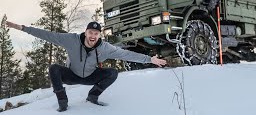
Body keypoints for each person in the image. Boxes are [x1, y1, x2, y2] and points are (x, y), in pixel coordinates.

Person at [6, 21, 167, 112]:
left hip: (90, 76)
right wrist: (23, 28)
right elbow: (48, 35)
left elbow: (126, 54)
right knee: (54, 68)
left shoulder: (104, 48)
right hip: (71, 75)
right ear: (86, 32)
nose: (93, 36)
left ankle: (93, 96)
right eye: (90, 33)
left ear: (99, 35)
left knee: (112, 72)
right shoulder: (71, 40)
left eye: (96, 34)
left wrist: (149, 59)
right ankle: (62, 100)